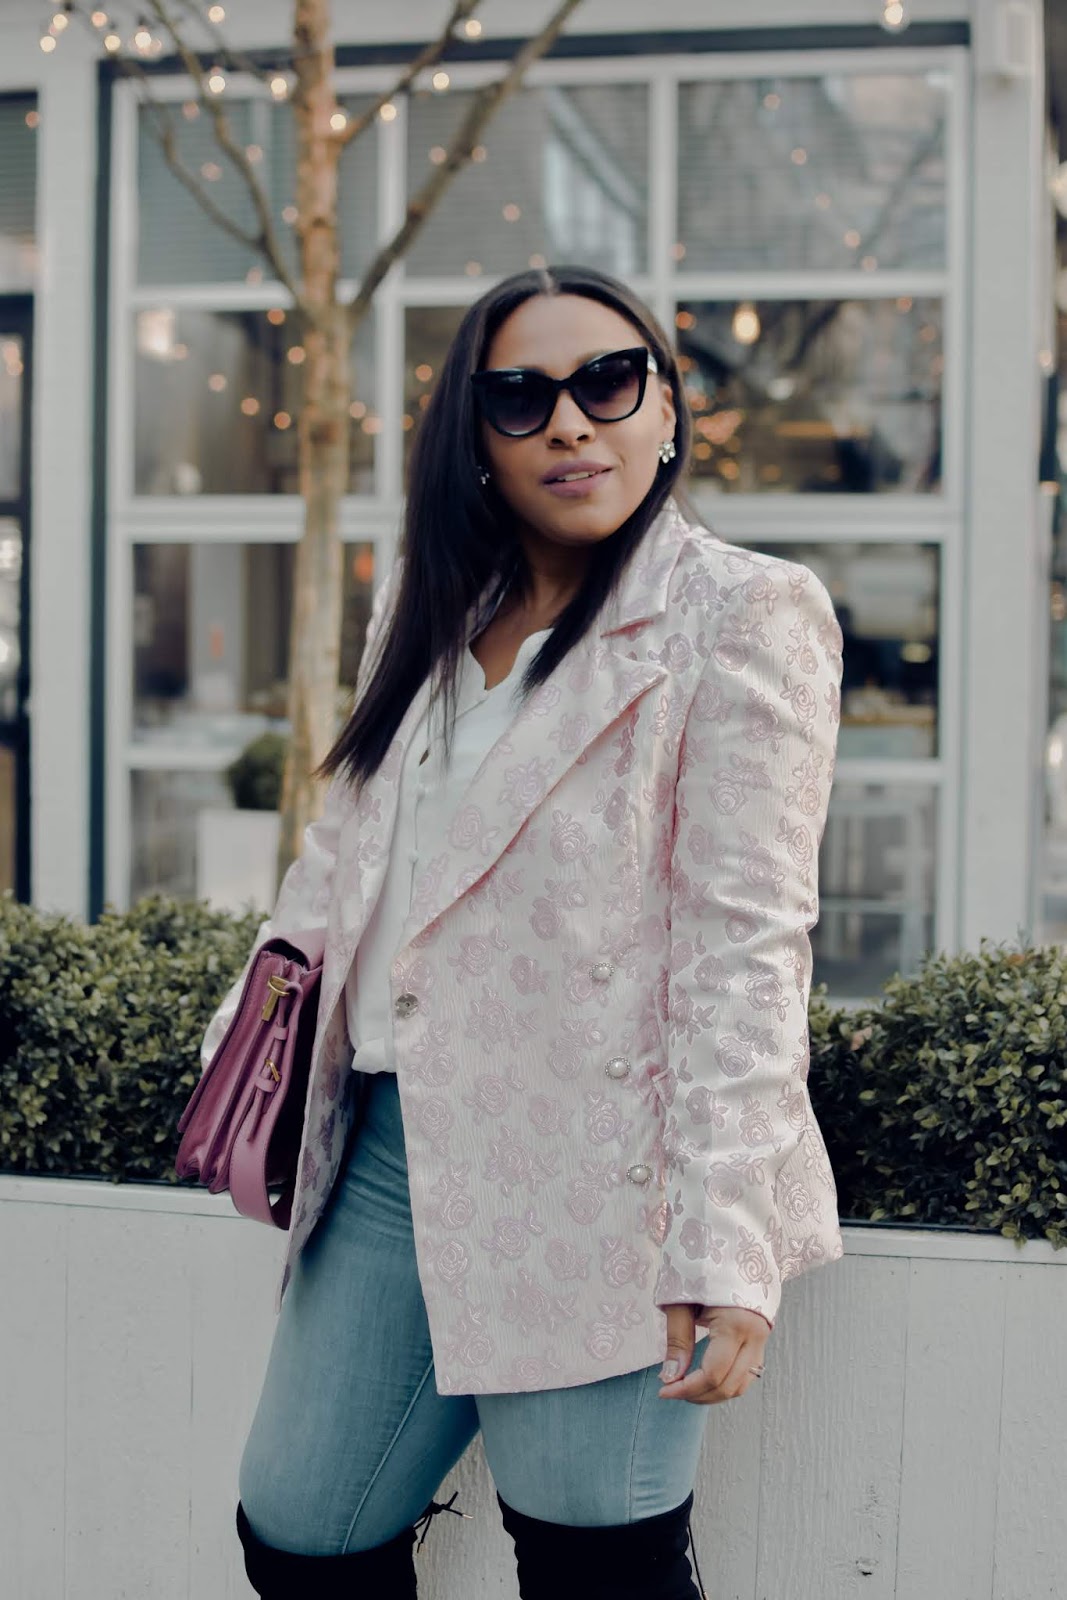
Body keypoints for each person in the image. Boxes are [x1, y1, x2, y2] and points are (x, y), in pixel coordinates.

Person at [199, 264, 844, 1599]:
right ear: (476, 437)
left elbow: (746, 950)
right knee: (301, 1532)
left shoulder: (742, 614)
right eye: (522, 397)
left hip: (605, 1174)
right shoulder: (428, 597)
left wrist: (723, 1242)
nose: (571, 423)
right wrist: (251, 1044)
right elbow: (349, 847)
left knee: (593, 1564)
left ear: (667, 410)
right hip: (386, 1150)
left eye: (609, 383)